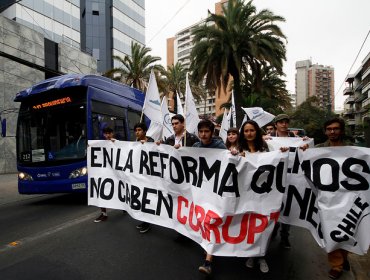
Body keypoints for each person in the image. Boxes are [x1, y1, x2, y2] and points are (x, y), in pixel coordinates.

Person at [315, 117, 351, 279]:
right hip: (327, 198)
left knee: (348, 229)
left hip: (347, 197)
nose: (332, 132)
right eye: (329, 129)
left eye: (335, 129)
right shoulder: (318, 149)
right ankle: (336, 265)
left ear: (341, 130)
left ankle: (344, 257)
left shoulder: (352, 150)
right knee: (331, 229)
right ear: (325, 131)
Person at [194, 119, 227, 275]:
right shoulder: (195, 147)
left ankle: (208, 261)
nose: (203, 134)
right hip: (201, 191)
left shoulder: (220, 147)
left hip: (215, 191)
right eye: (201, 131)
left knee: (212, 221)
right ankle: (209, 248)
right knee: (203, 219)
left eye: (206, 131)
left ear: (212, 132)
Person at [238, 120, 270, 273]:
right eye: (246, 131)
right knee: (249, 224)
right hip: (245, 194)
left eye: (252, 130)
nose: (249, 133)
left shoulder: (265, 149)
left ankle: (262, 255)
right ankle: (251, 254)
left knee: (263, 225)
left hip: (263, 194)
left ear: (256, 132)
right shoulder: (238, 149)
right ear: (243, 134)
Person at [133, 122, 154, 233]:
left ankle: (148, 223)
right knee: (141, 199)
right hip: (139, 176)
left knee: (147, 199)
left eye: (139, 130)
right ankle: (144, 221)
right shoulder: (135, 143)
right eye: (136, 130)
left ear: (145, 131)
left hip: (149, 177)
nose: (137, 132)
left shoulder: (151, 141)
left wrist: (147, 145)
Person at [94, 127, 115, 223]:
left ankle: (124, 207)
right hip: (104, 173)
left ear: (112, 133)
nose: (107, 135)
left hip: (116, 174)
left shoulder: (118, 143)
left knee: (120, 192)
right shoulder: (101, 145)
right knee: (101, 192)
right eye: (105, 134)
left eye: (109, 133)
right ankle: (104, 214)